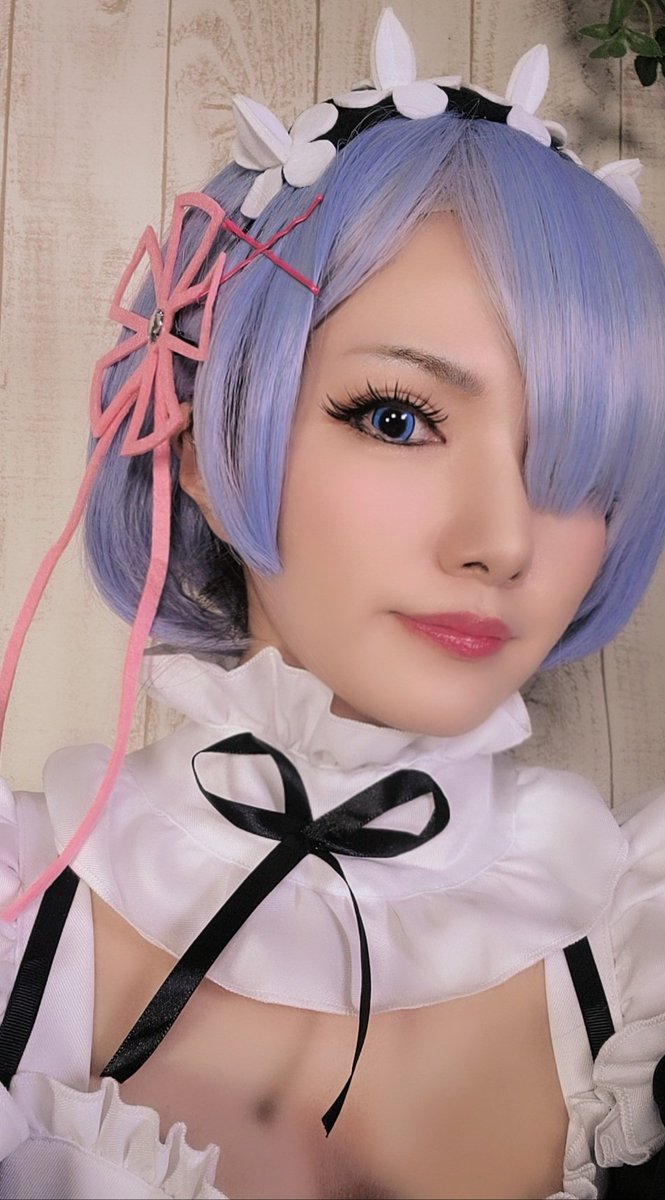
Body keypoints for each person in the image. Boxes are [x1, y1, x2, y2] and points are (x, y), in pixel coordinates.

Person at [0, 8, 663, 1198]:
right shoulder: (17, 912)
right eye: (397, 418)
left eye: (573, 459)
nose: (502, 541)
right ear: (200, 439)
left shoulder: (639, 946)